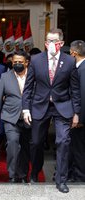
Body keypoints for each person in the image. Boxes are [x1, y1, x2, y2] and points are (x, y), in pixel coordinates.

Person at [22, 28, 80, 193]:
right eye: (48, 41)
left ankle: (61, 180)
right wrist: (26, 108)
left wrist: (76, 113)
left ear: (61, 43)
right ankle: (34, 173)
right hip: (40, 105)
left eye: (54, 41)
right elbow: (28, 87)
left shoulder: (69, 61)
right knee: (36, 143)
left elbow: (75, 89)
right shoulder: (35, 60)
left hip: (63, 106)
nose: (50, 44)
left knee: (63, 141)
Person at [0, 50, 31, 183]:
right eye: (15, 62)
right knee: (13, 143)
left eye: (20, 62)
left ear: (27, 63)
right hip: (10, 117)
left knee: (26, 148)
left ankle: (23, 174)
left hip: (28, 118)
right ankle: (12, 174)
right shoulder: (5, 76)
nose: (18, 64)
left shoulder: (33, 76)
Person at [68, 40, 85, 182]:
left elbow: (83, 94)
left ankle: (80, 177)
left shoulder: (83, 69)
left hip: (80, 118)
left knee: (79, 149)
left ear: (73, 53)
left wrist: (79, 117)